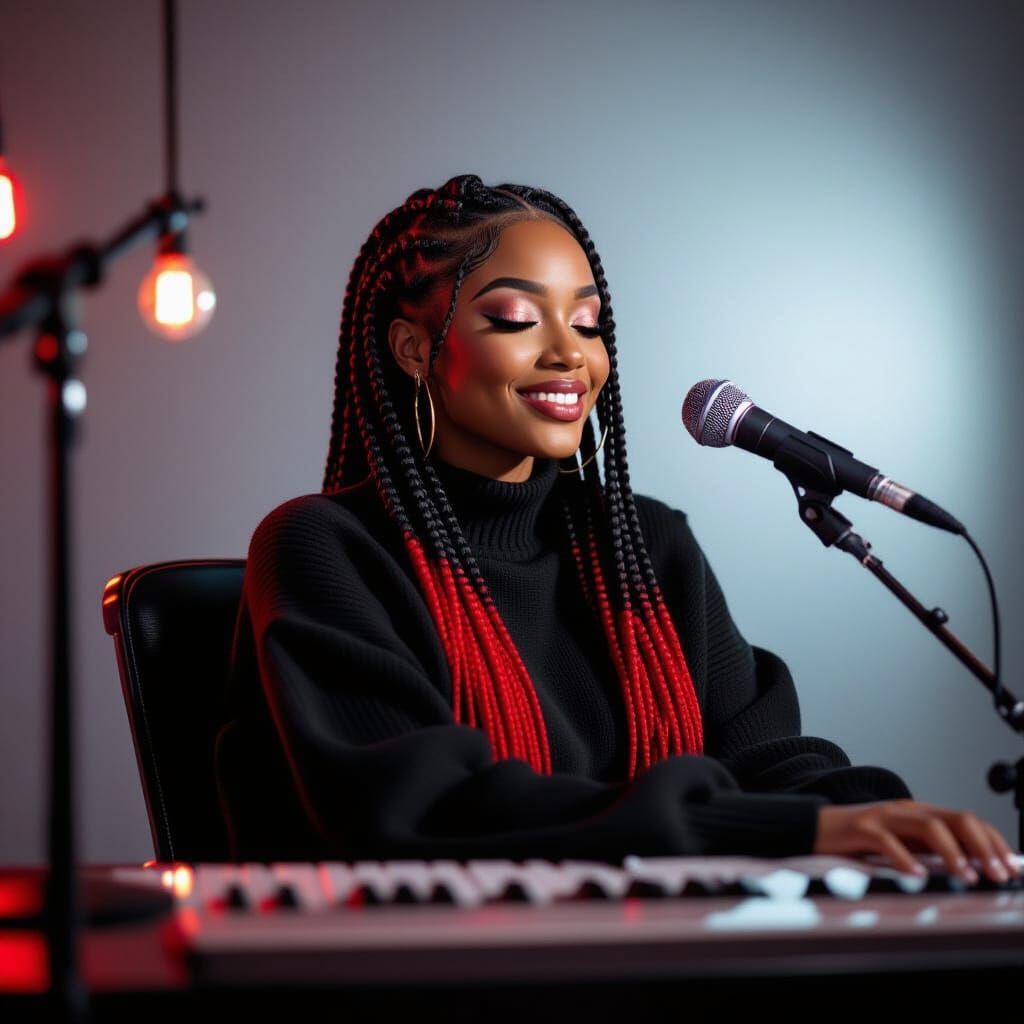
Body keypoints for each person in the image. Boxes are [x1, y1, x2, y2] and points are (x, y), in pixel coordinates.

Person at [214, 173, 1019, 885]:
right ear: (415, 349)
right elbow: (427, 811)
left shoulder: (646, 547)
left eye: (589, 322)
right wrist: (782, 830)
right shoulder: (322, 550)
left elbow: (759, 755)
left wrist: (872, 816)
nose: (571, 354)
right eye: (518, 318)